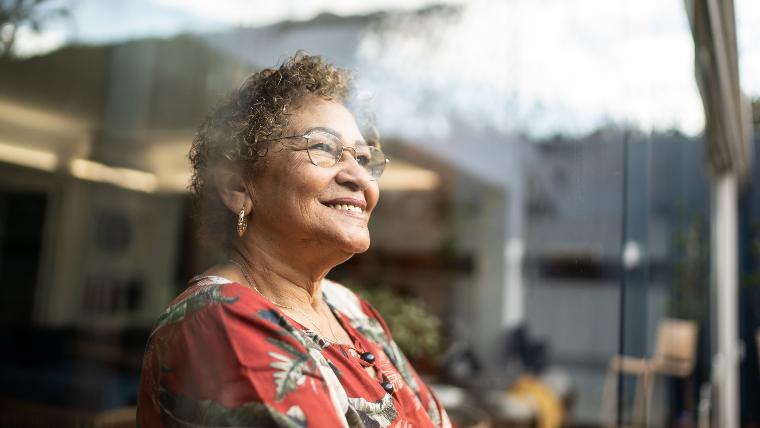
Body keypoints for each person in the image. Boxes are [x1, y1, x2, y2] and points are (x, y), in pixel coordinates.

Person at [137, 52, 452, 427]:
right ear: (238, 185)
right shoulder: (219, 318)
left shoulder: (349, 308)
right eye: (323, 148)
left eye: (364, 158)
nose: (359, 177)